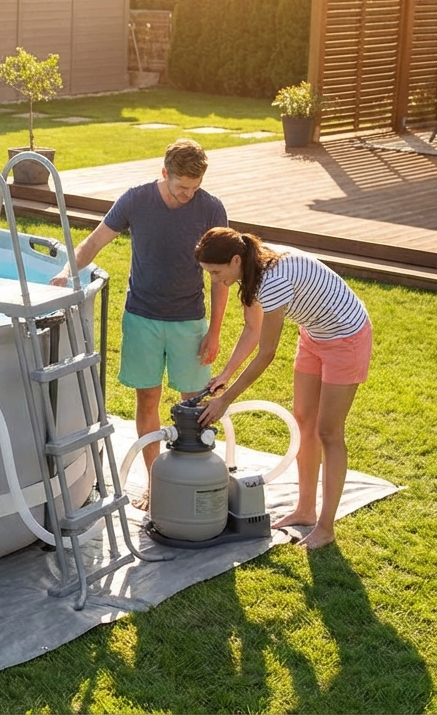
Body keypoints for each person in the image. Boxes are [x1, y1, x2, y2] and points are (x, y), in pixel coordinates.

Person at [52, 139, 228, 504]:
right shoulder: (136, 200)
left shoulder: (211, 209)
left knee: (193, 405)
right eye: (182, 187)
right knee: (148, 399)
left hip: (189, 320)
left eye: (194, 188)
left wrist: (214, 330)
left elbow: (219, 277)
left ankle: (189, 480)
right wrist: (68, 272)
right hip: (142, 317)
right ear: (164, 174)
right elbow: (96, 241)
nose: (187, 195)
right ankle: (156, 483)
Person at [194, 227, 372, 550]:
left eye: (218, 273)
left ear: (234, 260)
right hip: (315, 334)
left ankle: (326, 527)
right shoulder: (250, 266)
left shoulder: (271, 278)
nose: (217, 280)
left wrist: (226, 399)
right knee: (304, 421)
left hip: (346, 337)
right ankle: (305, 509)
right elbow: (252, 330)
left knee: (329, 432)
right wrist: (226, 374)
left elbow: (267, 352)